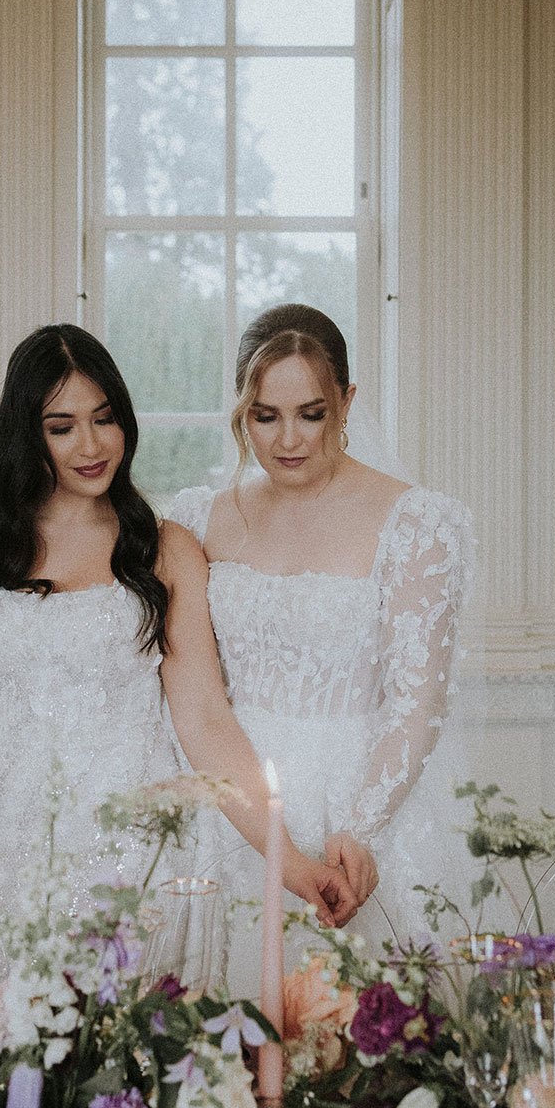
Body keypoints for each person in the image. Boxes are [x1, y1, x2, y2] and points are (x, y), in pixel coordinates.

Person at [0, 323, 353, 933]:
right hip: (0, 844)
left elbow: (205, 719)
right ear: (25, 434)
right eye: (61, 427)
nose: (91, 445)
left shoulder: (164, 550)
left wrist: (289, 860)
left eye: (104, 418)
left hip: (133, 852)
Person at [169, 304, 475, 948]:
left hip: (358, 794)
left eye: (311, 414)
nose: (289, 441)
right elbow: (172, 672)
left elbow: (418, 700)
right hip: (229, 796)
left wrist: (362, 827)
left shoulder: (415, 524)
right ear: (240, 410)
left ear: (347, 402)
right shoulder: (200, 518)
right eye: (265, 416)